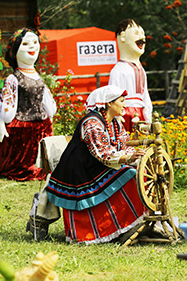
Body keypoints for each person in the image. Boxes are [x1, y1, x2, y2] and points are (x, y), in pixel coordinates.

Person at [46, 85, 147, 244]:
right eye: (121, 101)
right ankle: (111, 228)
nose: (125, 105)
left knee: (137, 171)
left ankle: (126, 223)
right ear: (108, 103)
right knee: (130, 174)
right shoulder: (92, 123)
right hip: (79, 171)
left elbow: (122, 145)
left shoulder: (114, 123)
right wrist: (127, 158)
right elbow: (102, 152)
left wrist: (139, 154)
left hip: (95, 166)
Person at [0, 28, 56, 181]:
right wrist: (2, 121)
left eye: (35, 42)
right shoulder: (13, 78)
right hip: (22, 127)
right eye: (26, 43)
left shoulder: (37, 75)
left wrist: (50, 115)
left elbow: (46, 99)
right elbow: (8, 102)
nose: (32, 47)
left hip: (41, 125)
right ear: (15, 50)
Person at [108, 19, 152, 132]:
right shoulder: (118, 70)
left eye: (143, 34)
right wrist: (117, 115)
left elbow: (145, 94)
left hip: (140, 113)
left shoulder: (141, 69)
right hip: (125, 114)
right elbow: (113, 94)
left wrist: (148, 113)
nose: (142, 37)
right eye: (136, 33)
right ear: (122, 37)